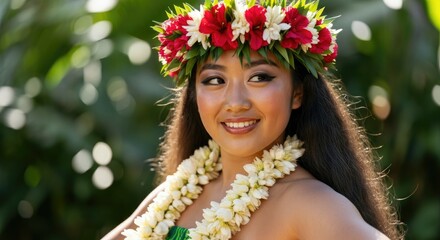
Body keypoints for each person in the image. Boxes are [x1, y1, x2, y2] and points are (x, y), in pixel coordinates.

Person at [103, 0, 403, 239]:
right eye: (214, 80)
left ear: (297, 93)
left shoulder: (311, 204)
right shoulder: (178, 193)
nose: (235, 103)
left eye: (259, 77)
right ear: (194, 94)